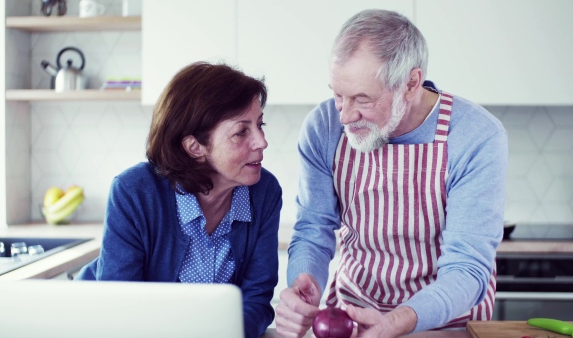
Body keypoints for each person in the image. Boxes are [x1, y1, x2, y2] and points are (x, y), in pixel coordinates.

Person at [275, 9, 508, 338]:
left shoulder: (475, 136)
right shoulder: (323, 126)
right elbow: (313, 230)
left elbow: (467, 266)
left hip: (445, 324)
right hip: (351, 313)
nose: (345, 115)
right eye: (338, 95)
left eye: (363, 99)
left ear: (411, 84)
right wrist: (305, 283)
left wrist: (399, 320)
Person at [76, 61, 282, 338]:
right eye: (241, 131)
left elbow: (256, 297)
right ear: (195, 147)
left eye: (260, 125)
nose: (262, 141)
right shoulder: (134, 191)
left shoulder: (264, 192)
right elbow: (118, 306)